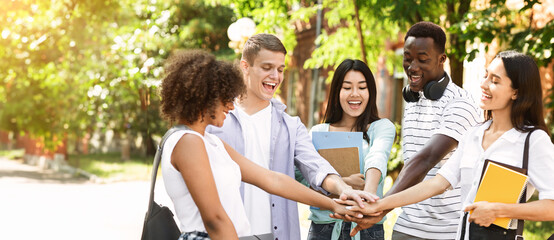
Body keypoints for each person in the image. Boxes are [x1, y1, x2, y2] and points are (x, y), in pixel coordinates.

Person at [337, 50, 554, 240]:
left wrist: (499, 210)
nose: (484, 84)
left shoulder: (533, 140)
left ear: (516, 92)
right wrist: (380, 206)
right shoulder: (474, 134)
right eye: (485, 75)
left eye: (495, 81)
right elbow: (436, 184)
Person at [159, 50, 363, 240]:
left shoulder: (211, 142)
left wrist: (334, 205)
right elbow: (215, 219)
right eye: (226, 98)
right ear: (204, 97)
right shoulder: (187, 142)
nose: (231, 106)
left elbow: (272, 180)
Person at [207, 33, 376, 239]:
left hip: (277, 233)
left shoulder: (290, 125)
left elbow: (316, 166)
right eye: (267, 68)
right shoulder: (215, 119)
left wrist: (342, 188)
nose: (276, 77)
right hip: (224, 232)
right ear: (245, 66)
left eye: (280, 69)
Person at [332, 21, 482, 239]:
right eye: (408, 58)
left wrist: (381, 207)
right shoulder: (413, 99)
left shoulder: (461, 104)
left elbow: (426, 159)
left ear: (442, 60)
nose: (412, 67)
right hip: (406, 227)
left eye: (422, 59)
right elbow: (410, 162)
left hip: (445, 231)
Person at [307, 59, 396, 240]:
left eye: (362, 87)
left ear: (370, 91)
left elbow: (377, 157)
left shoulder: (381, 128)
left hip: (367, 228)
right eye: (347, 87)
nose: (355, 94)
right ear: (336, 91)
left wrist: (369, 198)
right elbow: (304, 182)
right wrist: (347, 183)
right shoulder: (317, 133)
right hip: (324, 228)